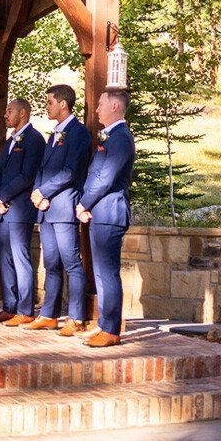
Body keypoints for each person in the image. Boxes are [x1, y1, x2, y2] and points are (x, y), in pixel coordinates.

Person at [25, 84, 91, 335]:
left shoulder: (78, 132)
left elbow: (71, 170)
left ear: (64, 104)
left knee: (72, 263)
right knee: (51, 264)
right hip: (46, 208)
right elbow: (42, 168)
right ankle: (49, 315)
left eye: (50, 102)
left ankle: (75, 318)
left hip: (63, 206)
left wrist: (44, 192)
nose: (47, 106)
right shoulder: (54, 134)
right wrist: (37, 194)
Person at [76, 88, 135, 348]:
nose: (96, 109)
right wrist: (86, 205)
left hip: (110, 212)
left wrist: (84, 203)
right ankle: (103, 324)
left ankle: (111, 330)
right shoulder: (110, 136)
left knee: (108, 273)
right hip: (99, 212)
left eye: (100, 104)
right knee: (100, 272)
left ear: (114, 107)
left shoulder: (121, 138)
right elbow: (94, 174)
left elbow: (106, 178)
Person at [0, 99, 45, 325]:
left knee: (20, 258)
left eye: (9, 110)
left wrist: (3, 197)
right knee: (5, 258)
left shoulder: (35, 139)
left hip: (20, 208)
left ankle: (25, 309)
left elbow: (27, 175)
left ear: (23, 113)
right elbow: (0, 173)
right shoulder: (10, 140)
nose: (5, 114)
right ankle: (9, 306)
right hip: (2, 209)